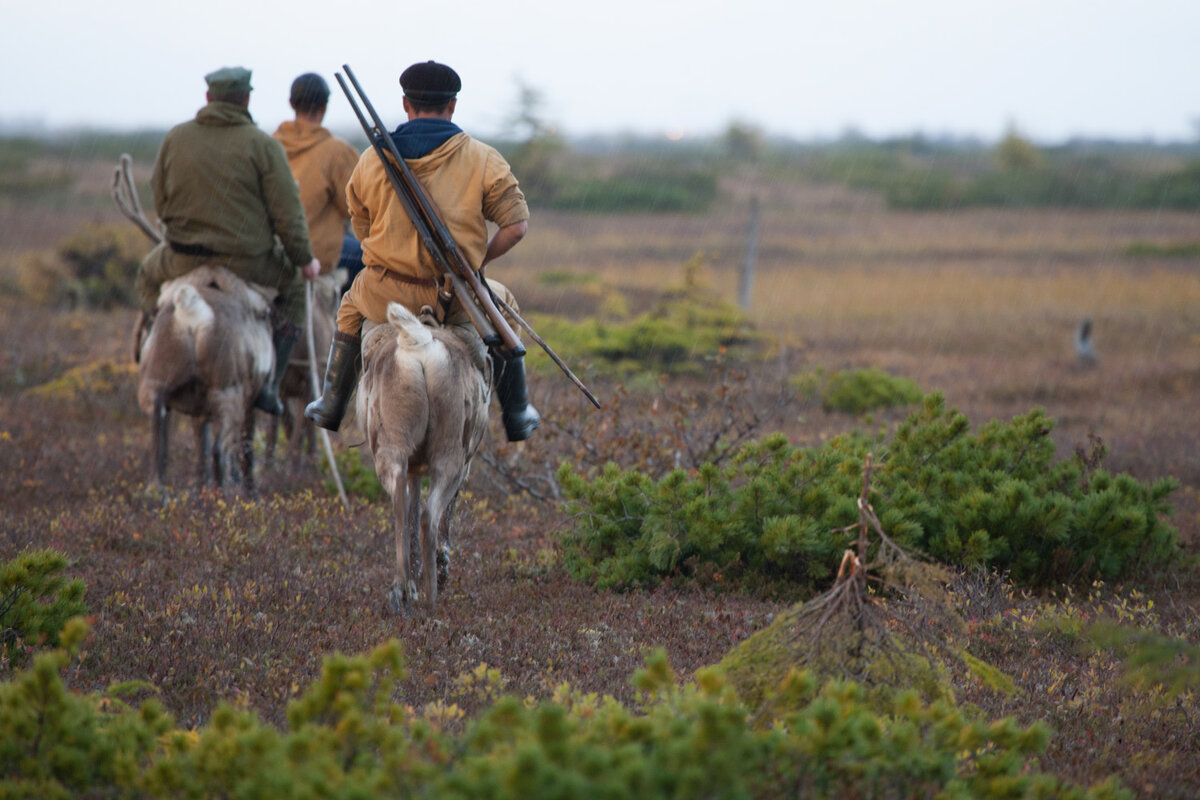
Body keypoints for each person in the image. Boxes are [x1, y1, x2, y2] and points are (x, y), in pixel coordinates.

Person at [304, 60, 540, 442]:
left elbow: (362, 230)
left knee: (350, 307)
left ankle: (331, 403)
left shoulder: (372, 158)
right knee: (504, 301)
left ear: (405, 104)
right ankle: (516, 414)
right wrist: (474, 266)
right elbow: (516, 227)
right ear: (453, 106)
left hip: (386, 296)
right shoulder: (484, 158)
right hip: (459, 296)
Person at [134, 66, 321, 415]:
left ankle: (151, 351)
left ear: (208, 98)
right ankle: (269, 386)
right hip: (247, 262)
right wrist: (303, 260)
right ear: (246, 99)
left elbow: (160, 199)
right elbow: (288, 215)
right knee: (295, 288)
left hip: (182, 258)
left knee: (146, 275)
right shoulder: (263, 145)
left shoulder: (176, 138)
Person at [272, 73, 360, 285]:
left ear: (292, 103)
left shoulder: (271, 144)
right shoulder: (337, 151)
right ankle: (347, 317)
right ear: (324, 106)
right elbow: (355, 208)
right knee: (367, 256)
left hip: (273, 250)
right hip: (313, 254)